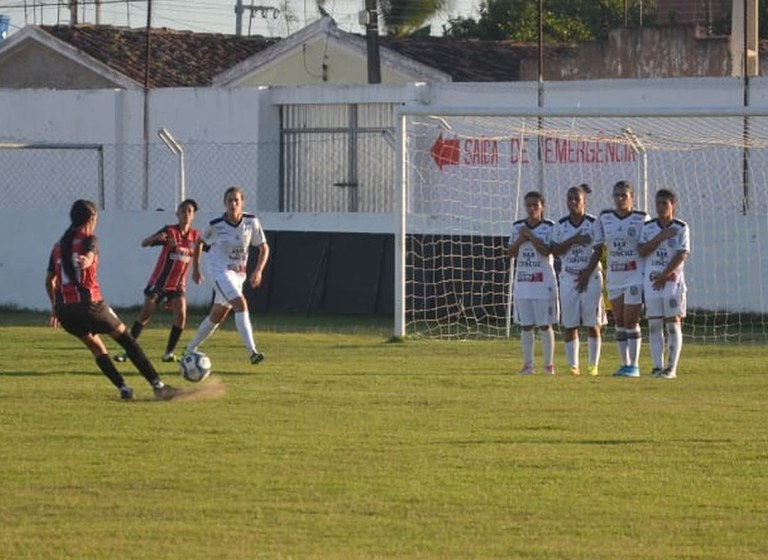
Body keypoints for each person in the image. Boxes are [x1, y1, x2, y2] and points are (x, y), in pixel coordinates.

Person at [45, 199, 182, 400]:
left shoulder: (58, 246)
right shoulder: (89, 239)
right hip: (90, 306)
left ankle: (124, 389)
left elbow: (50, 280)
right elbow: (90, 253)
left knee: (96, 347)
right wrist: (88, 260)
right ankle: (158, 386)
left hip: (65, 311)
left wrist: (55, 307)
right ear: (91, 219)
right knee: (128, 341)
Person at [184, 186, 270, 363]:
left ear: (242, 202)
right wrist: (196, 269)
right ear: (224, 203)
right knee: (241, 303)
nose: (233, 203)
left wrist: (258, 270)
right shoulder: (216, 225)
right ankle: (252, 352)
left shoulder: (251, 221)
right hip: (219, 271)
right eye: (230, 200)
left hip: (239, 274)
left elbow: (263, 247)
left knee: (218, 315)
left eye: (236, 200)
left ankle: (190, 348)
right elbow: (200, 242)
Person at [114, 198, 200, 364]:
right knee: (145, 315)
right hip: (159, 282)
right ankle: (127, 351)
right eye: (183, 211)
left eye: (190, 211)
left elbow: (205, 248)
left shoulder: (196, 236)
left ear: (194, 215)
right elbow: (144, 243)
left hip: (178, 285)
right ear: (177, 214)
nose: (186, 214)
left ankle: (168, 353)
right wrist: (157, 238)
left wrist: (197, 270)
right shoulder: (169, 231)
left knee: (181, 316)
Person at [551, 184, 606, 377]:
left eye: (577, 199)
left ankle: (593, 366)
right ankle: (573, 365)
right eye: (570, 199)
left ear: (585, 201)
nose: (573, 202)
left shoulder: (594, 223)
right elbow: (555, 250)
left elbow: (599, 250)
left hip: (590, 277)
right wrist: (573, 239)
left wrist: (586, 274)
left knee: (593, 323)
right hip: (568, 276)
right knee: (570, 324)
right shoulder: (560, 225)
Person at [597, 180, 649, 378]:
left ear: (632, 198)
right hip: (614, 276)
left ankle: (634, 366)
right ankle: (624, 363)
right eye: (616, 195)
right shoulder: (605, 218)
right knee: (618, 320)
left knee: (631, 320)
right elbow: (597, 242)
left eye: (624, 196)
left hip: (634, 276)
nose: (619, 199)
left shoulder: (641, 218)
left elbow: (648, 245)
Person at [638, 189, 690, 379]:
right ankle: (657, 366)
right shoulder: (649, 227)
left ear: (673, 205)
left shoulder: (681, 227)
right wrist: (660, 237)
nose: (660, 207)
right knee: (654, 325)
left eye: (664, 204)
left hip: (672, 284)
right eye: (658, 203)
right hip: (652, 282)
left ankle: (671, 368)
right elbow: (642, 250)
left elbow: (682, 254)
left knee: (673, 323)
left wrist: (665, 275)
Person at [507, 191, 559, 375]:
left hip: (543, 282)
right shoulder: (517, 227)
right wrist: (522, 238)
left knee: (545, 325)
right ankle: (528, 365)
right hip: (523, 282)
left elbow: (547, 251)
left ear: (542, 206)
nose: (531, 209)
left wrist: (530, 235)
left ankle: (548, 366)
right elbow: (510, 253)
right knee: (526, 325)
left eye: (535, 206)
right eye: (528, 205)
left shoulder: (550, 226)